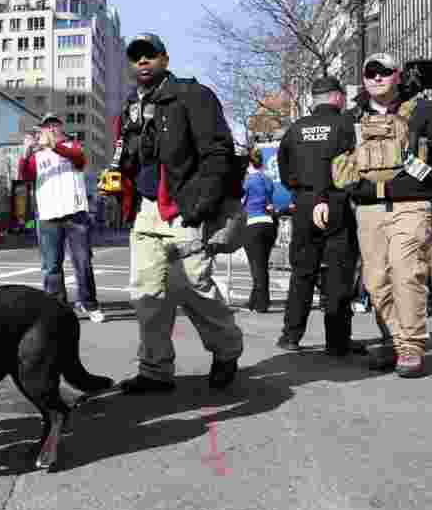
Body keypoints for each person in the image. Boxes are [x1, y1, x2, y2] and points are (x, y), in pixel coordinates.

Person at [107, 33, 244, 394]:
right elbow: (129, 157)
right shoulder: (131, 105)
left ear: (164, 59)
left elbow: (218, 153)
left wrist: (202, 207)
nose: (142, 62)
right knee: (148, 293)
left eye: (149, 55)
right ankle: (154, 370)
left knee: (194, 288)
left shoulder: (191, 95)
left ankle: (227, 351)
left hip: (184, 207)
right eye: (135, 56)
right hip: (145, 209)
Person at [330, 53, 432, 378]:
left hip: (412, 206)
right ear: (363, 78)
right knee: (375, 283)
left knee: (408, 275)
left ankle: (411, 346)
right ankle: (395, 339)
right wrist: (324, 199)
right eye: (370, 72)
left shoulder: (424, 111)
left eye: (385, 72)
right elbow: (336, 163)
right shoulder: (351, 118)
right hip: (367, 210)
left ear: (397, 75)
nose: (377, 77)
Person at [275, 76, 364, 356]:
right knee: (339, 273)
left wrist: (302, 191)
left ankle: (290, 335)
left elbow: (283, 166)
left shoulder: (295, 129)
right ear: (337, 97)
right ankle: (336, 341)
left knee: (302, 272)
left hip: (303, 203)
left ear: (314, 99)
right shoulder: (345, 125)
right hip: (337, 202)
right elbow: (355, 164)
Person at [17, 114, 104, 322]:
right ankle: (57, 307)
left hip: (75, 213)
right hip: (48, 215)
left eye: (51, 127)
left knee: (82, 262)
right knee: (51, 266)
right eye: (44, 128)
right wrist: (26, 152)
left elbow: (79, 160)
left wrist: (54, 144)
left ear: (58, 128)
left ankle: (88, 303)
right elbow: (25, 177)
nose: (46, 131)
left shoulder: (73, 145)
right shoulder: (37, 155)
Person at [241, 148, 276, 313]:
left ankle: (261, 304)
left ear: (249, 163)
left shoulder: (248, 182)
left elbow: (241, 203)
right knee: (262, 265)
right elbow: (269, 202)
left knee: (256, 267)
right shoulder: (268, 180)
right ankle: (254, 301)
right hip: (269, 224)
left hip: (253, 223)